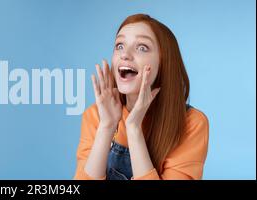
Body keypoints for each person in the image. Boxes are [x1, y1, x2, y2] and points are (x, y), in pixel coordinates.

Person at [74, 14, 209, 180]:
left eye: (142, 47)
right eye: (120, 45)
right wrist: (107, 126)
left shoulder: (191, 124)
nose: (125, 55)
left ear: (164, 63)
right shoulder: (96, 116)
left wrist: (134, 128)